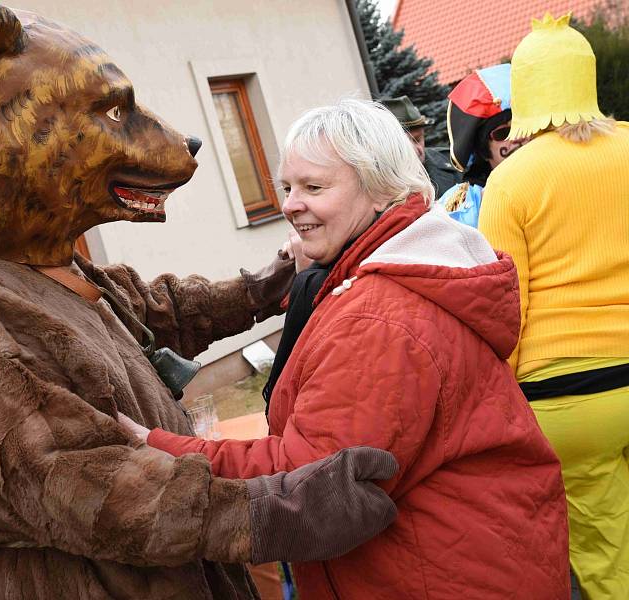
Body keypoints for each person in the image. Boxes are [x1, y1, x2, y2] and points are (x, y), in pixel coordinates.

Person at [0, 4, 401, 598]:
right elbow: (85, 487)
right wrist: (278, 510)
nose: (165, 137)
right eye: (114, 114)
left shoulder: (41, 265)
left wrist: (267, 286)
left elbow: (153, 314)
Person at [121, 97, 571, 599]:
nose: (291, 203)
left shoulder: (380, 317)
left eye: (314, 187)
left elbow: (311, 479)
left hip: (438, 574)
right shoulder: (389, 274)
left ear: (380, 190)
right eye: (287, 187)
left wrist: (157, 448)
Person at [478, 13, 629, 599]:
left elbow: (501, 308)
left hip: (568, 400)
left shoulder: (511, 181)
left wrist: (502, 404)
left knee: (604, 548)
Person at [439, 63, 523, 227]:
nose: (518, 137)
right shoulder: (466, 204)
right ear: (484, 151)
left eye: (521, 126)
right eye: (503, 133)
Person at [382, 95, 461, 196]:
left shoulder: (450, 160)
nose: (417, 149)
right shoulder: (376, 188)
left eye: (418, 139)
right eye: (405, 144)